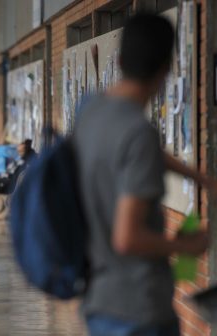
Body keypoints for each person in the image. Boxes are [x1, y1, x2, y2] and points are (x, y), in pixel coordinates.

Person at [73, 14, 212, 335]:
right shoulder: (138, 134)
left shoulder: (92, 112)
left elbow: (129, 149)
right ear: (166, 69)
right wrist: (187, 247)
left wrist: (198, 177)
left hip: (99, 300)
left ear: (120, 61)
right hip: (138, 308)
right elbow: (128, 238)